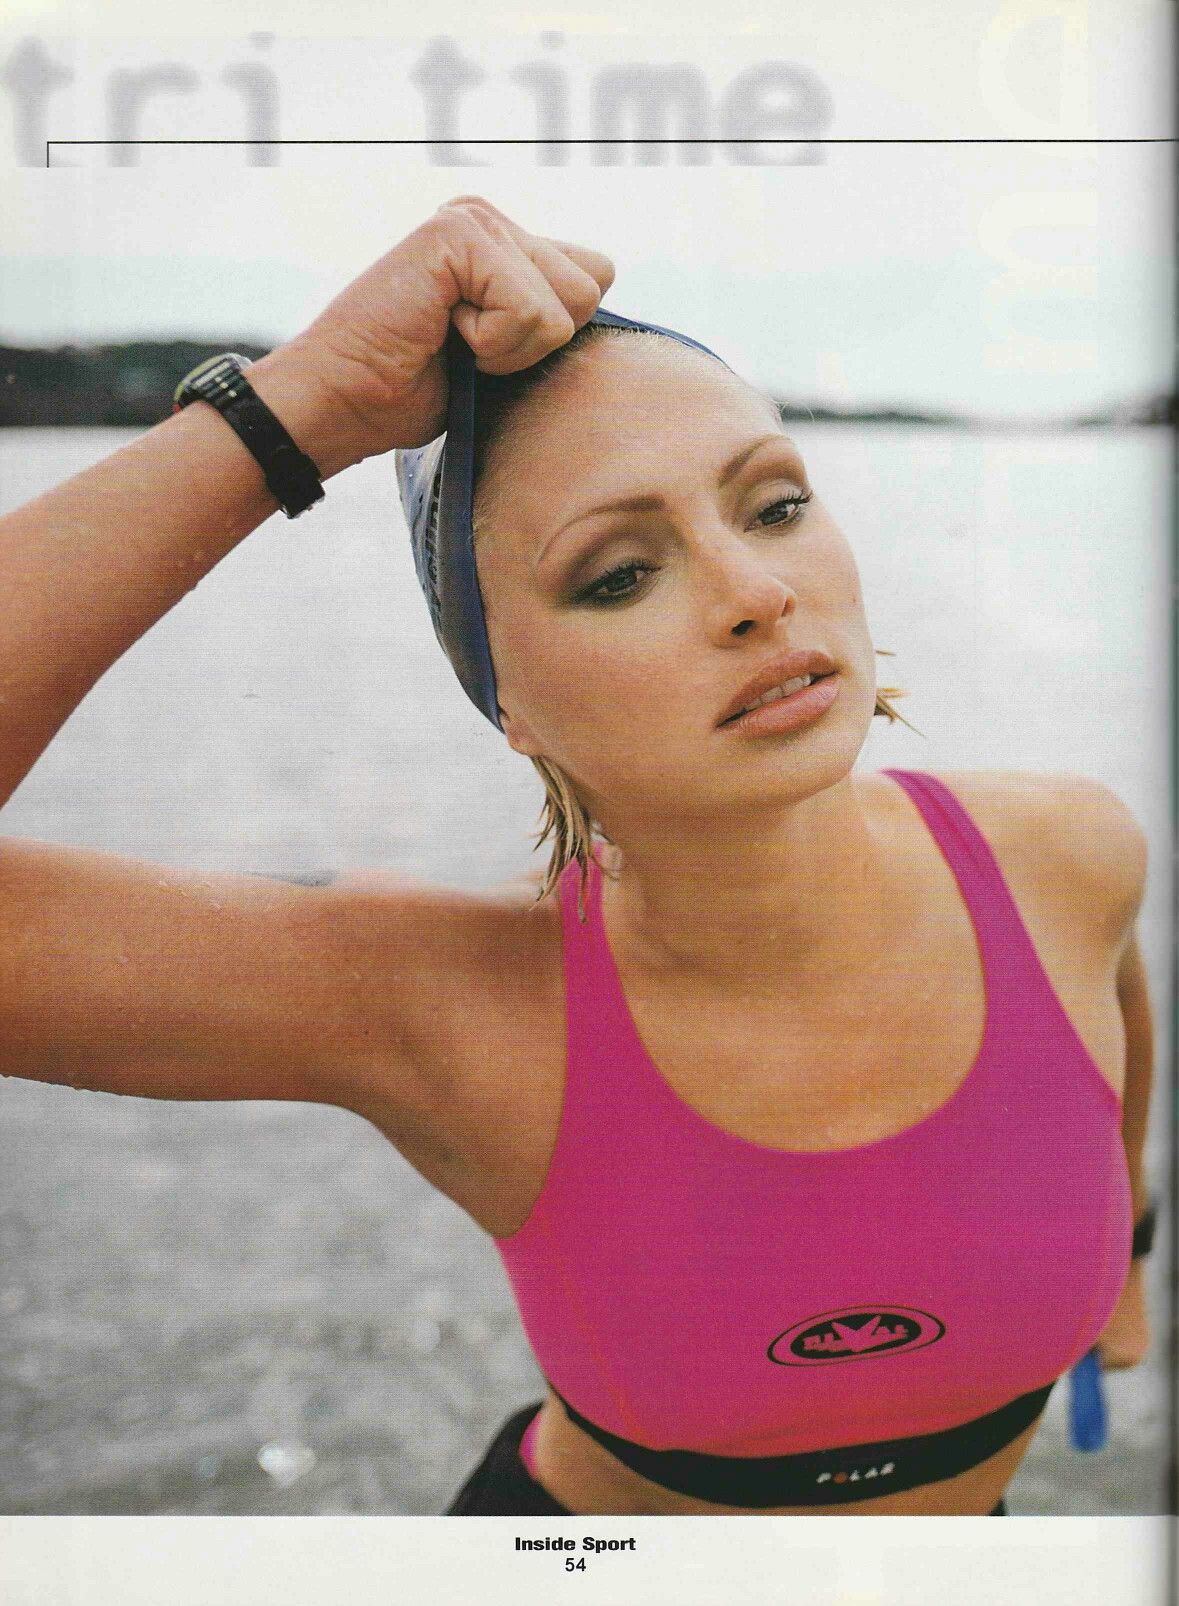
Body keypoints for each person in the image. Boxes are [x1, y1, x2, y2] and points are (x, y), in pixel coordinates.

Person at [0, 196, 1156, 1518]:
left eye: (775, 504)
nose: (756, 592)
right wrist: (299, 408)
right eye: (618, 575)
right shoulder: (446, 1006)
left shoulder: (1064, 854)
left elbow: (1111, 1034)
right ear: (513, 703)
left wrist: (1124, 1259)